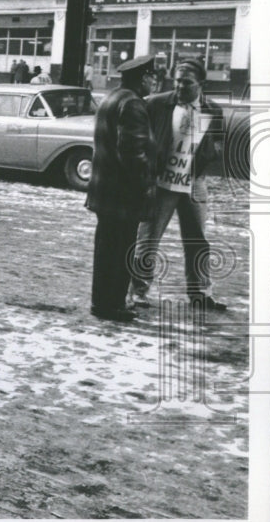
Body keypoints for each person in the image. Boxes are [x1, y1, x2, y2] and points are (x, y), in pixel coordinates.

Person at [128, 57, 227, 311]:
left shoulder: (212, 110)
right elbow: (141, 136)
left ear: (201, 83)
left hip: (194, 183)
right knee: (149, 237)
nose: (180, 86)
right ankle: (139, 291)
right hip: (162, 182)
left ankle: (200, 293)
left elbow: (218, 144)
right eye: (177, 81)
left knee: (198, 240)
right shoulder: (158, 103)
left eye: (187, 82)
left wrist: (206, 156)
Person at [84, 55, 157, 322]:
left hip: (104, 191)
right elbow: (133, 153)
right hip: (123, 194)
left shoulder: (111, 98)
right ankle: (112, 305)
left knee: (106, 249)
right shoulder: (134, 104)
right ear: (142, 78)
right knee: (120, 250)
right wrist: (146, 186)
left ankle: (100, 302)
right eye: (152, 77)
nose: (154, 82)